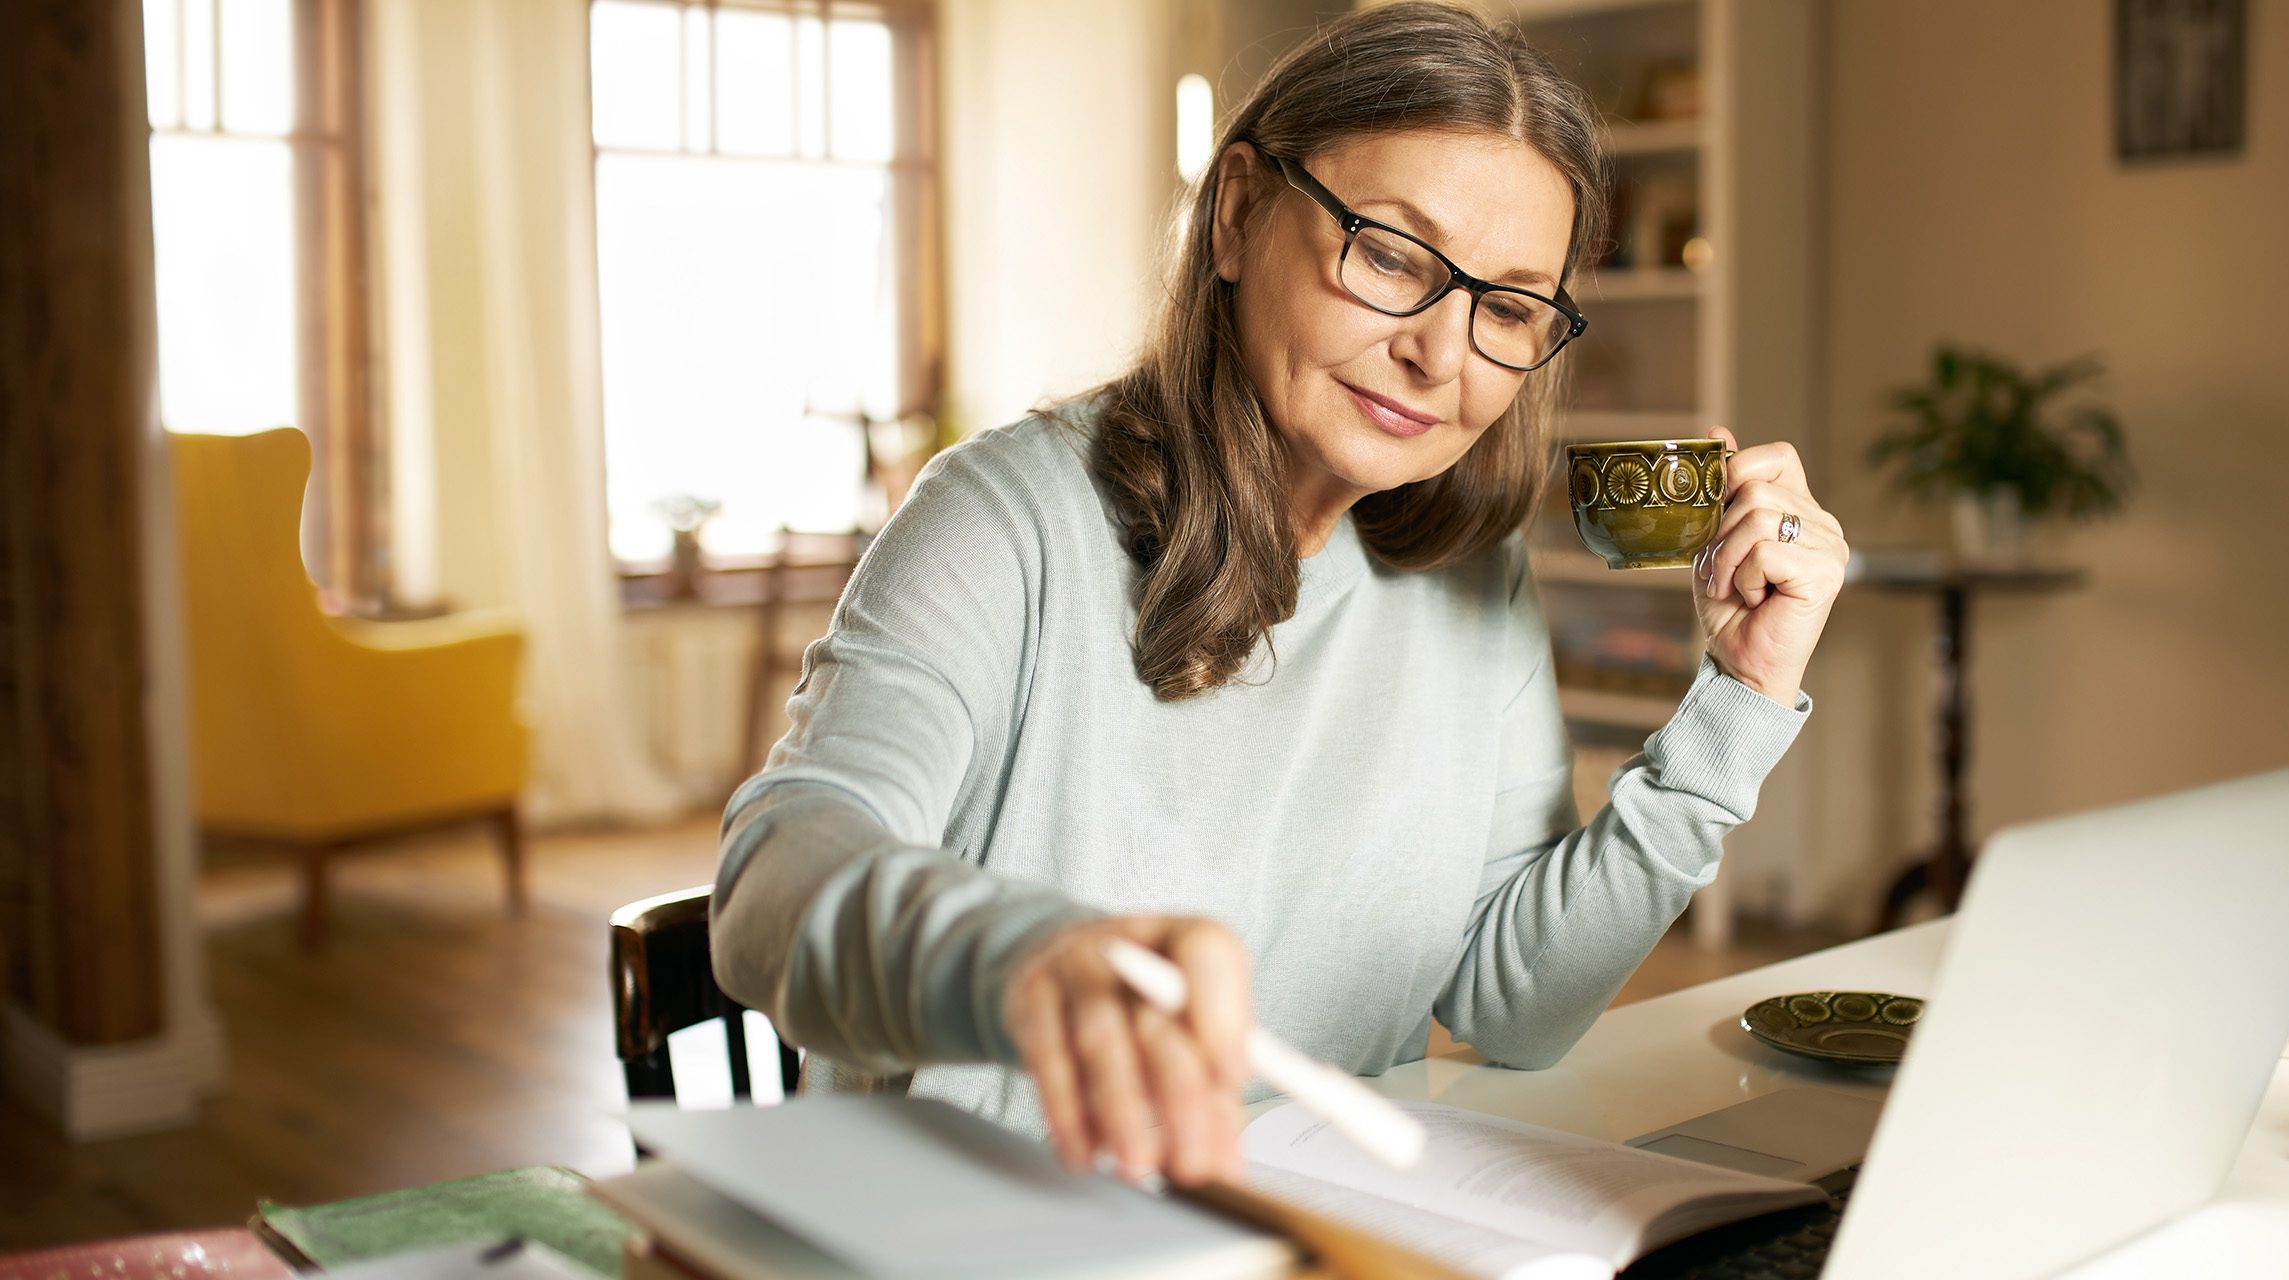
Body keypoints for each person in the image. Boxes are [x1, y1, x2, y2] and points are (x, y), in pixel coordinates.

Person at [709, 0, 1849, 1193]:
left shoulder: (1468, 572)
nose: (1443, 354)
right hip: (989, 1226)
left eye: (1508, 307)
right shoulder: (1005, 517)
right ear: (1241, 214)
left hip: (1311, 1225)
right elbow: (771, 880)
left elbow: (1518, 1004)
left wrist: (1739, 697)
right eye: (1395, 255)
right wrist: (1018, 958)